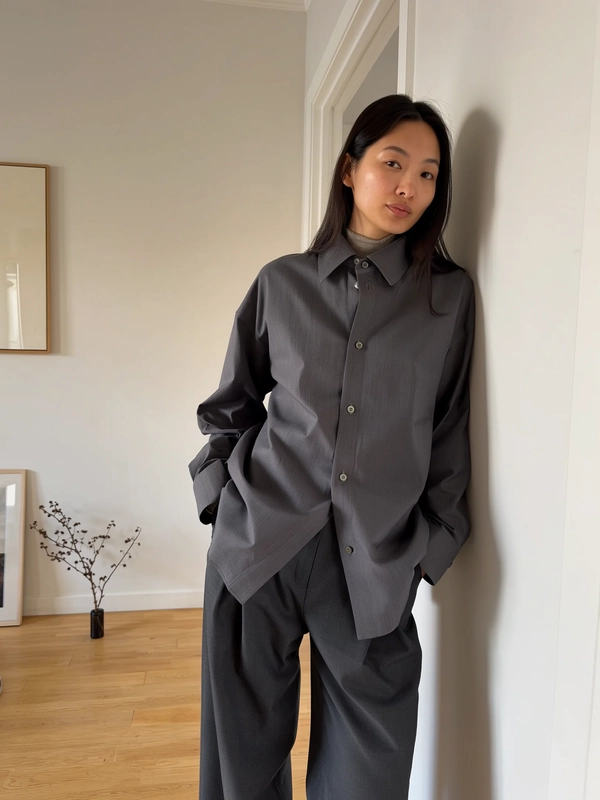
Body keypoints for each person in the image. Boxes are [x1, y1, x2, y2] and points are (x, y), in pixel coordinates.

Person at [188, 93, 476, 800]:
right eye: (393, 163)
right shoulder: (280, 284)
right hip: (259, 548)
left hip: (376, 563)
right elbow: (228, 407)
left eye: (430, 173)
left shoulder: (450, 300)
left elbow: (448, 434)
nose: (410, 185)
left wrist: (427, 555)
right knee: (241, 767)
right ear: (350, 169)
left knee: (368, 774)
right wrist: (221, 505)